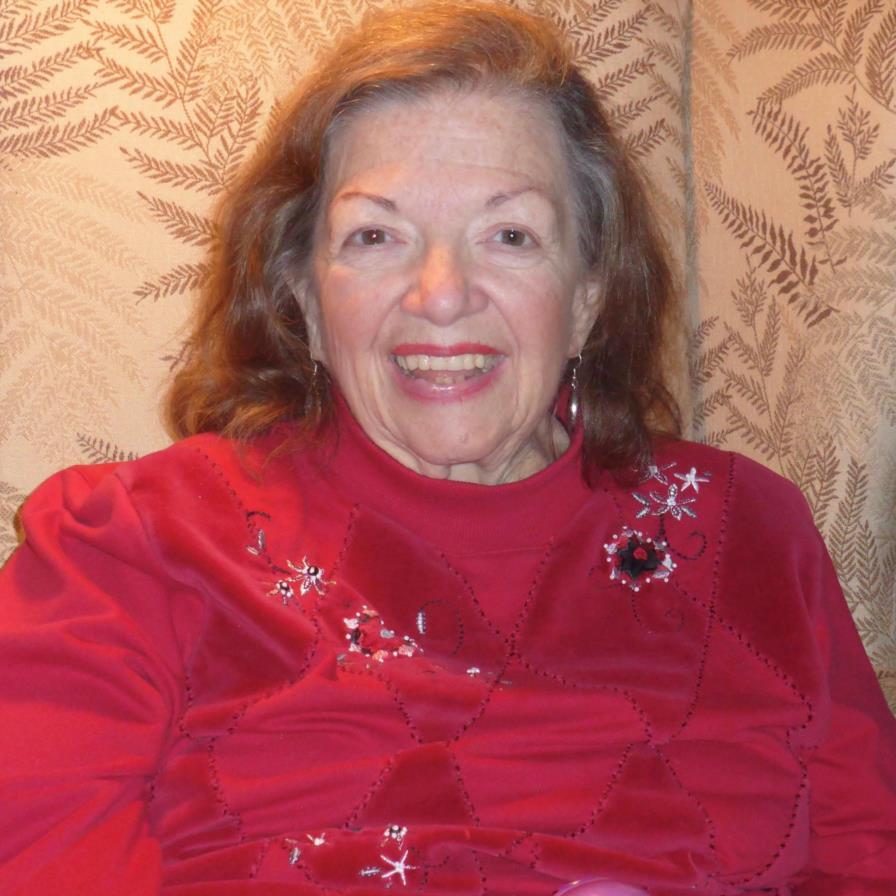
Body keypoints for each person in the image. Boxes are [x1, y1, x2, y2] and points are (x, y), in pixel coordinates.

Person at [1, 2, 894, 894]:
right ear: (302, 296)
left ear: (589, 294)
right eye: (375, 236)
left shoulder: (749, 537)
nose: (441, 294)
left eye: (509, 236)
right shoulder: (128, 546)